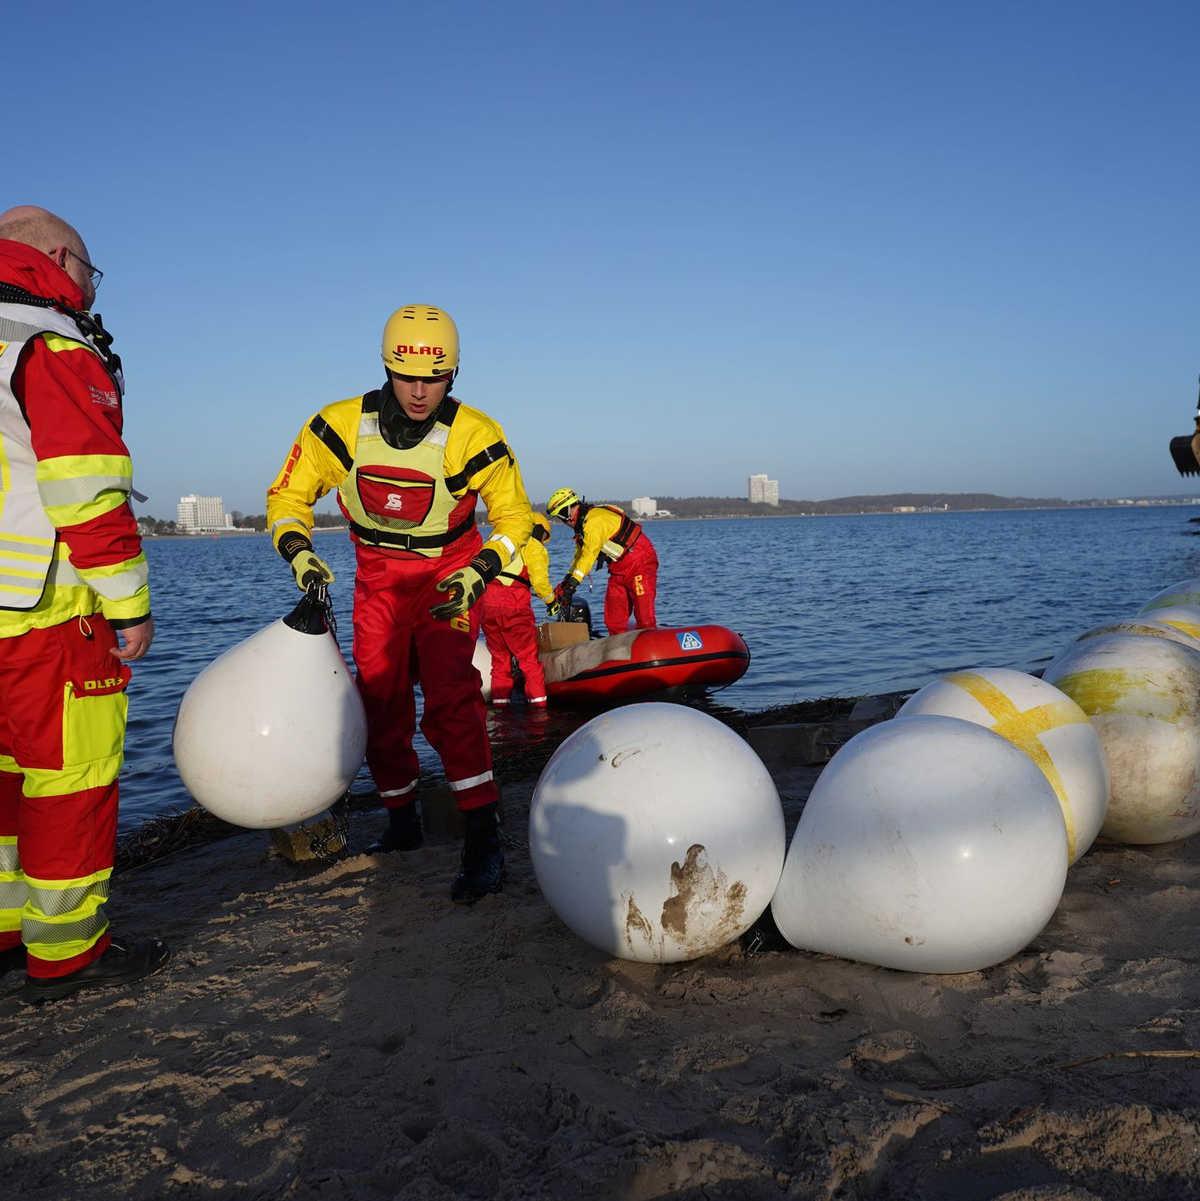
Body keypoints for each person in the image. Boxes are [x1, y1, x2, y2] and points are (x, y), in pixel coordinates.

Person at [266, 304, 532, 901]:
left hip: (449, 579)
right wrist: (298, 551)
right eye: (406, 375)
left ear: (453, 375)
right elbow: (288, 495)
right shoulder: (337, 426)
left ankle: (484, 838)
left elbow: (515, 514)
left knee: (452, 701)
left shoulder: (475, 435)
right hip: (377, 578)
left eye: (433, 378)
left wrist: (482, 570)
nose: (418, 391)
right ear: (386, 367)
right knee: (381, 701)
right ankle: (402, 823)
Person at [0, 205, 168, 1003]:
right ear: (61, 260)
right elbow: (89, 494)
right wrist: (130, 605)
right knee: (70, 780)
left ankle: (8, 930)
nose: (90, 290)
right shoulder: (51, 347)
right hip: (48, 615)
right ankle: (66, 954)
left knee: (5, 786)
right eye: (90, 274)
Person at [546, 489, 658, 635]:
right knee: (614, 620)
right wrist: (567, 581)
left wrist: (573, 584)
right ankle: (618, 652)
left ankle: (648, 645)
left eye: (560, 517)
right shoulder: (583, 526)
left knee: (644, 616)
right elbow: (579, 558)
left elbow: (588, 555)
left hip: (640, 561)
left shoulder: (593, 521)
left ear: (566, 511)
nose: (563, 522)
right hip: (618, 568)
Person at [478, 512, 552, 706]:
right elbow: (540, 582)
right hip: (514, 606)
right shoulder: (533, 546)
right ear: (539, 530)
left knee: (499, 661)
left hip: (486, 604)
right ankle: (539, 711)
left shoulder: (497, 539)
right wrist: (551, 601)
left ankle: (501, 709)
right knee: (528, 662)